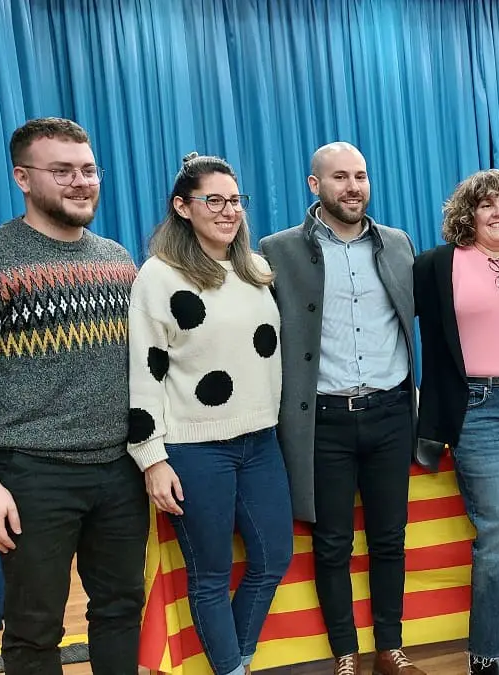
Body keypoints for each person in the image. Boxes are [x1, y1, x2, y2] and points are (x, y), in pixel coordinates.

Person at [0, 117, 147, 674]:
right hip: (32, 474)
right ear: (23, 178)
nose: (81, 182)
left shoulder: (117, 260)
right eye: (62, 171)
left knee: (123, 610)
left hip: (120, 469)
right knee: (34, 629)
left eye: (88, 169)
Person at [259, 142, 424, 675]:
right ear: (315, 185)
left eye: (360, 175)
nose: (353, 187)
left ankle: (389, 649)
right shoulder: (277, 250)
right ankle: (345, 655)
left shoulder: (398, 243)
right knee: (332, 543)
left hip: (391, 413)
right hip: (323, 421)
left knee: (389, 538)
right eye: (340, 177)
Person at [127, 153, 294, 675]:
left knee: (273, 558)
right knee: (211, 574)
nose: (229, 211)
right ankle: (233, 669)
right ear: (182, 207)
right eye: (214, 200)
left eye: (235, 200)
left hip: (261, 441)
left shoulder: (256, 269)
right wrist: (152, 458)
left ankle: (236, 660)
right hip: (194, 449)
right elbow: (145, 371)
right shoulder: (158, 276)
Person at [413, 169, 499, 675]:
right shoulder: (437, 265)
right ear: (467, 214)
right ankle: (487, 651)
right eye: (487, 204)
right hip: (476, 407)